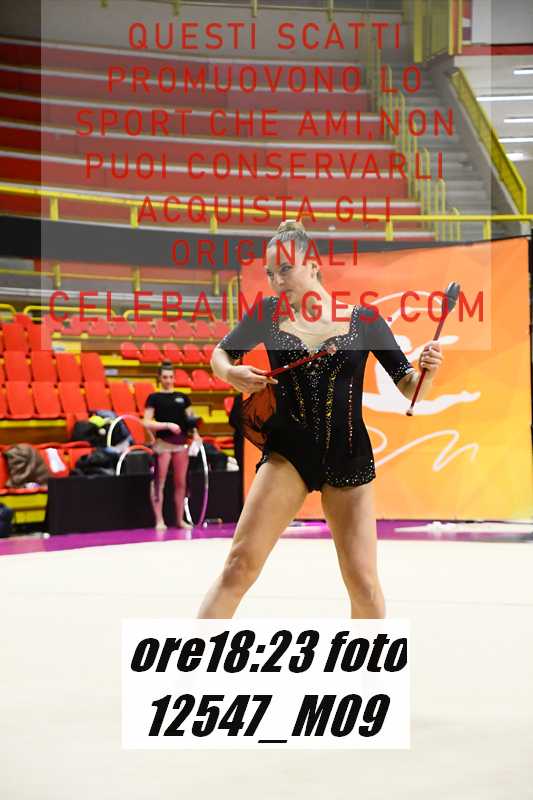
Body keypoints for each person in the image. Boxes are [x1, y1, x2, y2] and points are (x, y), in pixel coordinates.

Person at [196, 219, 443, 619]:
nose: (277, 281)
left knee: (364, 585)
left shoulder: (364, 320)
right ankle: (195, 653)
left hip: (348, 455)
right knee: (238, 567)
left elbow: (410, 387)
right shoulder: (267, 314)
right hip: (288, 455)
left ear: (312, 265)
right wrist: (230, 373)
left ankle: (369, 660)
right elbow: (220, 354)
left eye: (285, 269)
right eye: (270, 273)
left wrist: (427, 373)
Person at [143, 362, 202, 532]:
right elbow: (146, 422)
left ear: (174, 378)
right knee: (158, 482)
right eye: (165, 377)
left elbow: (191, 420)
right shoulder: (154, 397)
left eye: (170, 377)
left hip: (181, 444)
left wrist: (196, 434)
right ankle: (159, 520)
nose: (168, 380)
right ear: (159, 378)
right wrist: (166, 425)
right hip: (163, 444)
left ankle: (179, 519)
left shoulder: (183, 397)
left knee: (181, 483)